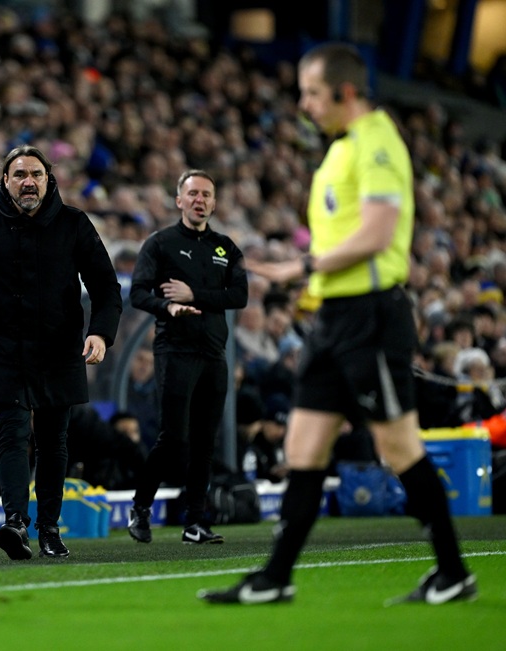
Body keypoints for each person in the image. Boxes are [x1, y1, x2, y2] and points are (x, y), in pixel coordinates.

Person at [199, 43, 476, 605]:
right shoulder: (341, 149)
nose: (304, 104)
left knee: (398, 448)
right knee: (303, 446)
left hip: (370, 315)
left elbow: (376, 235)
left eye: (312, 93)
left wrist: (296, 266)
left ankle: (453, 572)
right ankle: (275, 578)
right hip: (332, 317)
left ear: (346, 92)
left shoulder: (376, 143)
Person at [0, 144, 122, 560]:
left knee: (55, 440)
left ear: (48, 179)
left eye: (36, 174)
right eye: (19, 174)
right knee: (13, 433)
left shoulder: (74, 223)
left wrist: (101, 335)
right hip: (3, 348)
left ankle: (50, 529)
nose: (28, 182)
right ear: (4, 181)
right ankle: (16, 521)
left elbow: (106, 288)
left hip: (60, 348)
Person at [126, 169, 247, 545]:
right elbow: (137, 293)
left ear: (213, 202)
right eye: (193, 193)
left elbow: (238, 297)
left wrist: (193, 296)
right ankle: (141, 506)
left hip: (213, 352)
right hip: (175, 350)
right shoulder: (160, 244)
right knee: (174, 437)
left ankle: (195, 521)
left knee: (205, 441)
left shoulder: (226, 248)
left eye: (207, 195)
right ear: (179, 200)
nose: (200, 200)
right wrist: (167, 307)